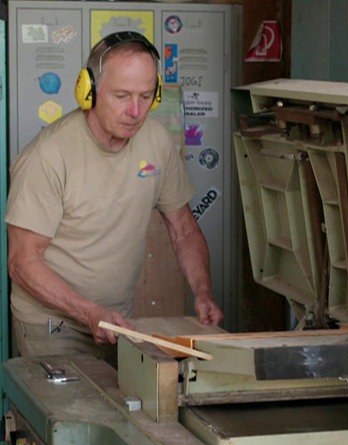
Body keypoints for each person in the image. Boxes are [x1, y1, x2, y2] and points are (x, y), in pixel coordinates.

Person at [6, 31, 223, 363]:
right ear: (89, 91)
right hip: (53, 325)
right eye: (122, 96)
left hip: (117, 321)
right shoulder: (49, 156)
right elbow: (22, 262)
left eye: (146, 96)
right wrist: (89, 312)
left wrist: (203, 292)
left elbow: (184, 230)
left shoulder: (157, 142)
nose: (136, 111)